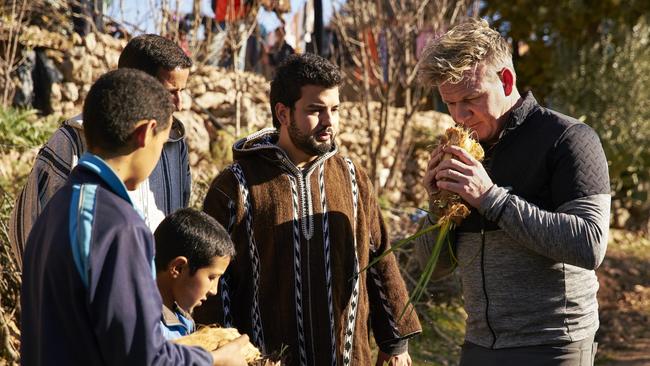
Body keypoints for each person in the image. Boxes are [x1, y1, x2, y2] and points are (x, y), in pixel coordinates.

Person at [194, 53, 421, 366]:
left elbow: (381, 256)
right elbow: (214, 287)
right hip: (267, 359)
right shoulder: (236, 185)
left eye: (335, 110)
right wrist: (222, 351)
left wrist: (395, 343)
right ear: (283, 113)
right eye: (315, 110)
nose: (329, 122)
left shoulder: (352, 176)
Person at [415, 18, 610, 365]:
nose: (460, 116)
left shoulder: (569, 139)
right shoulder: (463, 149)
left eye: (471, 99)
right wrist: (437, 206)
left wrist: (490, 198)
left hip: (554, 345)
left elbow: (590, 244)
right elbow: (438, 266)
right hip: (478, 345)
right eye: (450, 103)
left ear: (506, 79)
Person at [21, 68, 248, 366]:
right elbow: (143, 357)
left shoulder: (58, 207)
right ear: (145, 133)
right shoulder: (118, 225)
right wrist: (217, 358)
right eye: (162, 142)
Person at [9, 34, 193, 270]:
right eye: (170, 92)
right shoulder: (74, 140)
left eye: (182, 91)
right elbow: (30, 232)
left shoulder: (175, 142)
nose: (179, 104)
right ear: (138, 85)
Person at [154, 208, 235, 340]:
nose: (214, 291)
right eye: (212, 277)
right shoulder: (146, 325)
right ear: (178, 268)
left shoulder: (185, 321)